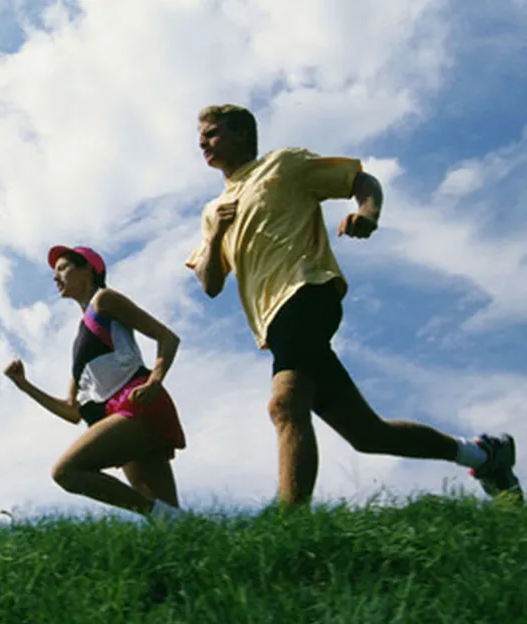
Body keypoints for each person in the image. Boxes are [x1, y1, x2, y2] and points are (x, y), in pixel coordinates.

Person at [185, 103, 521, 506]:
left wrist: (368, 214)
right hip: (273, 320)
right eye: (201, 135)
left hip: (307, 289)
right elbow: (209, 283)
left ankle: (291, 530)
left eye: (212, 132)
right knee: (367, 434)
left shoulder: (283, 164)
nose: (202, 141)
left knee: (285, 403)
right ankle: (484, 455)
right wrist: (218, 232)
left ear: (241, 134)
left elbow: (361, 181)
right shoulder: (212, 211)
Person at [3, 245, 188, 519]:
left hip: (138, 405)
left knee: (66, 472)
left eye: (63, 268)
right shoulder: (80, 342)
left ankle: (167, 518)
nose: (56, 278)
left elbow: (167, 338)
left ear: (88, 269)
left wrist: (154, 382)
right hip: (114, 417)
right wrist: (24, 384)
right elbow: (72, 411)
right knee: (172, 523)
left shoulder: (105, 301)